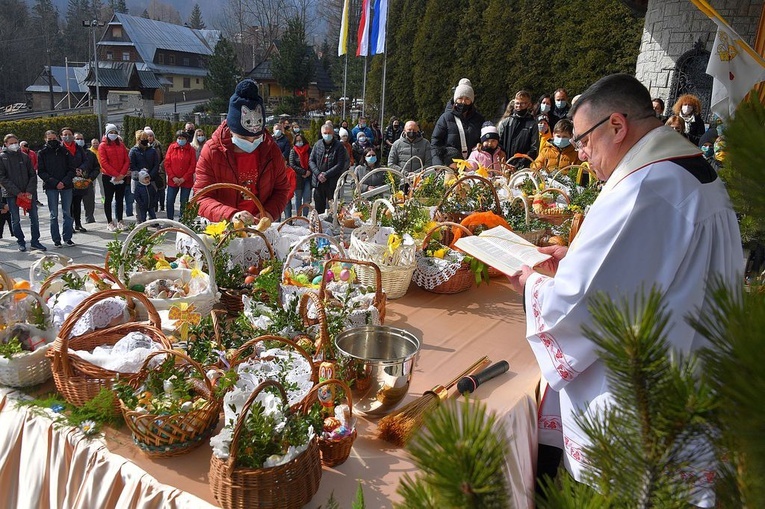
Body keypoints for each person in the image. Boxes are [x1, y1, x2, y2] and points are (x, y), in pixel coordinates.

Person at [506, 73, 742, 507]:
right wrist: (572, 258)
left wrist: (532, 284)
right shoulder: (687, 167)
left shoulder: (645, 187)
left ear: (616, 126)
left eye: (583, 140)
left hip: (645, 399)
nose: (580, 153)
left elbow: (581, 305)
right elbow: (637, 270)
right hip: (691, 373)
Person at [193, 79, 292, 222]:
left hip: (259, 227)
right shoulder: (212, 151)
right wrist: (230, 215)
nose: (251, 142)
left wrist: (268, 213)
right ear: (231, 131)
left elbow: (281, 190)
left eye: (257, 136)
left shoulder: (271, 150)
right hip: (223, 228)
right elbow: (201, 197)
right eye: (244, 137)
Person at [0, 134, 46, 251]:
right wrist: (17, 193)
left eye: (15, 142)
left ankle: (35, 241)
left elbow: (32, 174)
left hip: (29, 193)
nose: (14, 145)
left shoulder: (25, 156)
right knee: (15, 219)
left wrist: (29, 191)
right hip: (11, 194)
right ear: (5, 144)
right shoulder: (2, 157)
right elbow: (2, 177)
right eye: (11, 143)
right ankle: (20, 241)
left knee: (34, 217)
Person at [431, 78, 485, 167]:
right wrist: (438, 165)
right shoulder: (445, 118)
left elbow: (485, 140)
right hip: (451, 165)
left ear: (471, 101)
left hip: (473, 166)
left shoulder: (479, 119)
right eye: (460, 98)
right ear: (455, 99)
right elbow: (436, 143)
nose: (463, 102)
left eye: (467, 98)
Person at [37, 129, 76, 247]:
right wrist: (55, 183)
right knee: (53, 214)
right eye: (50, 139)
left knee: (67, 213)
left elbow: (72, 169)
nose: (52, 141)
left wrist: (64, 182)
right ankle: (56, 239)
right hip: (51, 187)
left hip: (66, 185)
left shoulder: (65, 151)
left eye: (54, 139)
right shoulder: (42, 153)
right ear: (45, 139)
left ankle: (68, 238)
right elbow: (41, 171)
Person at [309, 123, 348, 214]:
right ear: (322, 133)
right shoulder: (317, 145)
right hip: (318, 182)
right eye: (325, 133)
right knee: (319, 209)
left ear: (333, 133)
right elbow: (311, 160)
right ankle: (319, 226)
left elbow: (340, 164)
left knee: (333, 209)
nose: (327, 135)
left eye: (329, 133)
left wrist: (326, 174)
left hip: (332, 182)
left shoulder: (339, 146)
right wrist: (318, 174)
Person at [99, 123, 130, 232]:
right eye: (110, 132)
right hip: (108, 177)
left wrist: (122, 174)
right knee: (108, 199)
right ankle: (109, 222)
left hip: (121, 177)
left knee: (120, 199)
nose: (113, 134)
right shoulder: (102, 145)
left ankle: (120, 220)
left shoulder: (121, 145)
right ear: (106, 134)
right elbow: (103, 162)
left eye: (115, 132)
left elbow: (126, 160)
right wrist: (116, 174)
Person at [497, 90, 539, 167]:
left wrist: (520, 164)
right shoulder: (505, 123)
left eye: (523, 103)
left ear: (529, 105)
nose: (519, 106)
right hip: (505, 165)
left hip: (523, 167)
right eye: (517, 103)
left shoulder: (532, 124)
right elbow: (498, 143)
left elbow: (534, 149)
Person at [128, 129, 160, 221]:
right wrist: (141, 174)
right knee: (139, 201)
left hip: (151, 179)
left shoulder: (152, 150)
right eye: (143, 138)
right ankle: (140, 220)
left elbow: (156, 164)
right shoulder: (133, 151)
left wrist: (150, 175)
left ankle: (152, 219)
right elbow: (131, 165)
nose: (146, 140)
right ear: (138, 139)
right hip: (138, 180)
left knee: (151, 198)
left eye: (146, 138)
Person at [71, 132, 100, 232]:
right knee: (74, 205)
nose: (79, 140)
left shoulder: (90, 154)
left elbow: (97, 168)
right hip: (73, 184)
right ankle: (72, 224)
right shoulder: (70, 153)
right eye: (77, 138)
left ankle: (89, 220)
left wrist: (90, 178)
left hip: (87, 182)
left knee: (89, 203)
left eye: (81, 138)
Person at [164, 130, 196, 221]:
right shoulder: (172, 147)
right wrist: (173, 177)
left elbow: (192, 165)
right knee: (170, 200)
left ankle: (183, 219)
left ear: (186, 139)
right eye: (179, 138)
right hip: (173, 180)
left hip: (186, 180)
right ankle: (169, 219)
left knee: (184, 201)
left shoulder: (191, 150)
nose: (180, 140)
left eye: (182, 138)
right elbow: (167, 163)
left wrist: (184, 178)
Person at [289, 133, 312, 216]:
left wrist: (308, 172)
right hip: (298, 178)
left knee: (306, 198)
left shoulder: (309, 150)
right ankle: (298, 216)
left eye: (300, 140)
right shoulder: (293, 151)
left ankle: (305, 217)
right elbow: (292, 164)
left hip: (308, 178)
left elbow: (312, 161)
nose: (299, 142)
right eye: (297, 141)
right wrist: (303, 172)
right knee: (298, 198)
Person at [145, 128, 165, 211]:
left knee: (161, 189)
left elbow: (163, 157)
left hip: (159, 171)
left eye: (151, 136)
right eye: (147, 136)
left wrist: (160, 166)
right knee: (153, 190)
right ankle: (155, 206)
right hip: (150, 171)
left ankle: (162, 205)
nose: (149, 138)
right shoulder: (144, 146)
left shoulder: (158, 145)